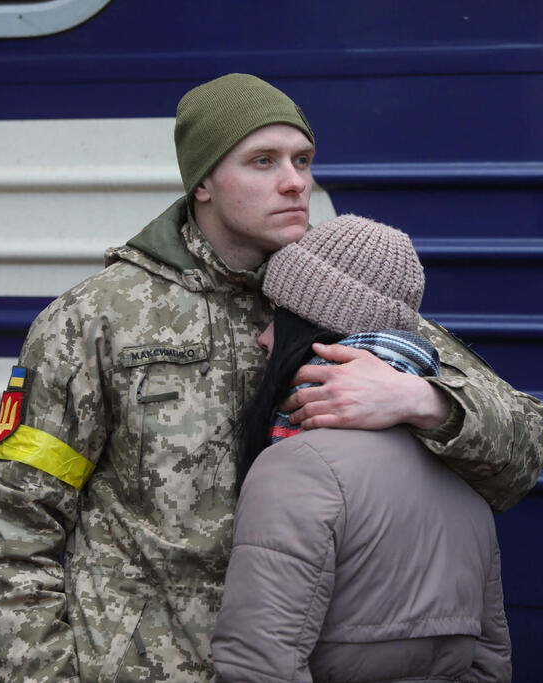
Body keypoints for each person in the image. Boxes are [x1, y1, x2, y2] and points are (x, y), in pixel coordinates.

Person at [0, 73, 543, 682]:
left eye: (303, 159)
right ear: (204, 183)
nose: (294, 181)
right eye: (262, 161)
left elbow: (524, 451)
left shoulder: (342, 295)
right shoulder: (97, 320)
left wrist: (423, 400)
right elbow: (11, 529)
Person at [211, 214, 511, 682]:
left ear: (310, 332)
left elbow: (258, 665)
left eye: (276, 317)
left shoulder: (296, 466)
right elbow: (489, 661)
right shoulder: (458, 462)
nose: (262, 337)